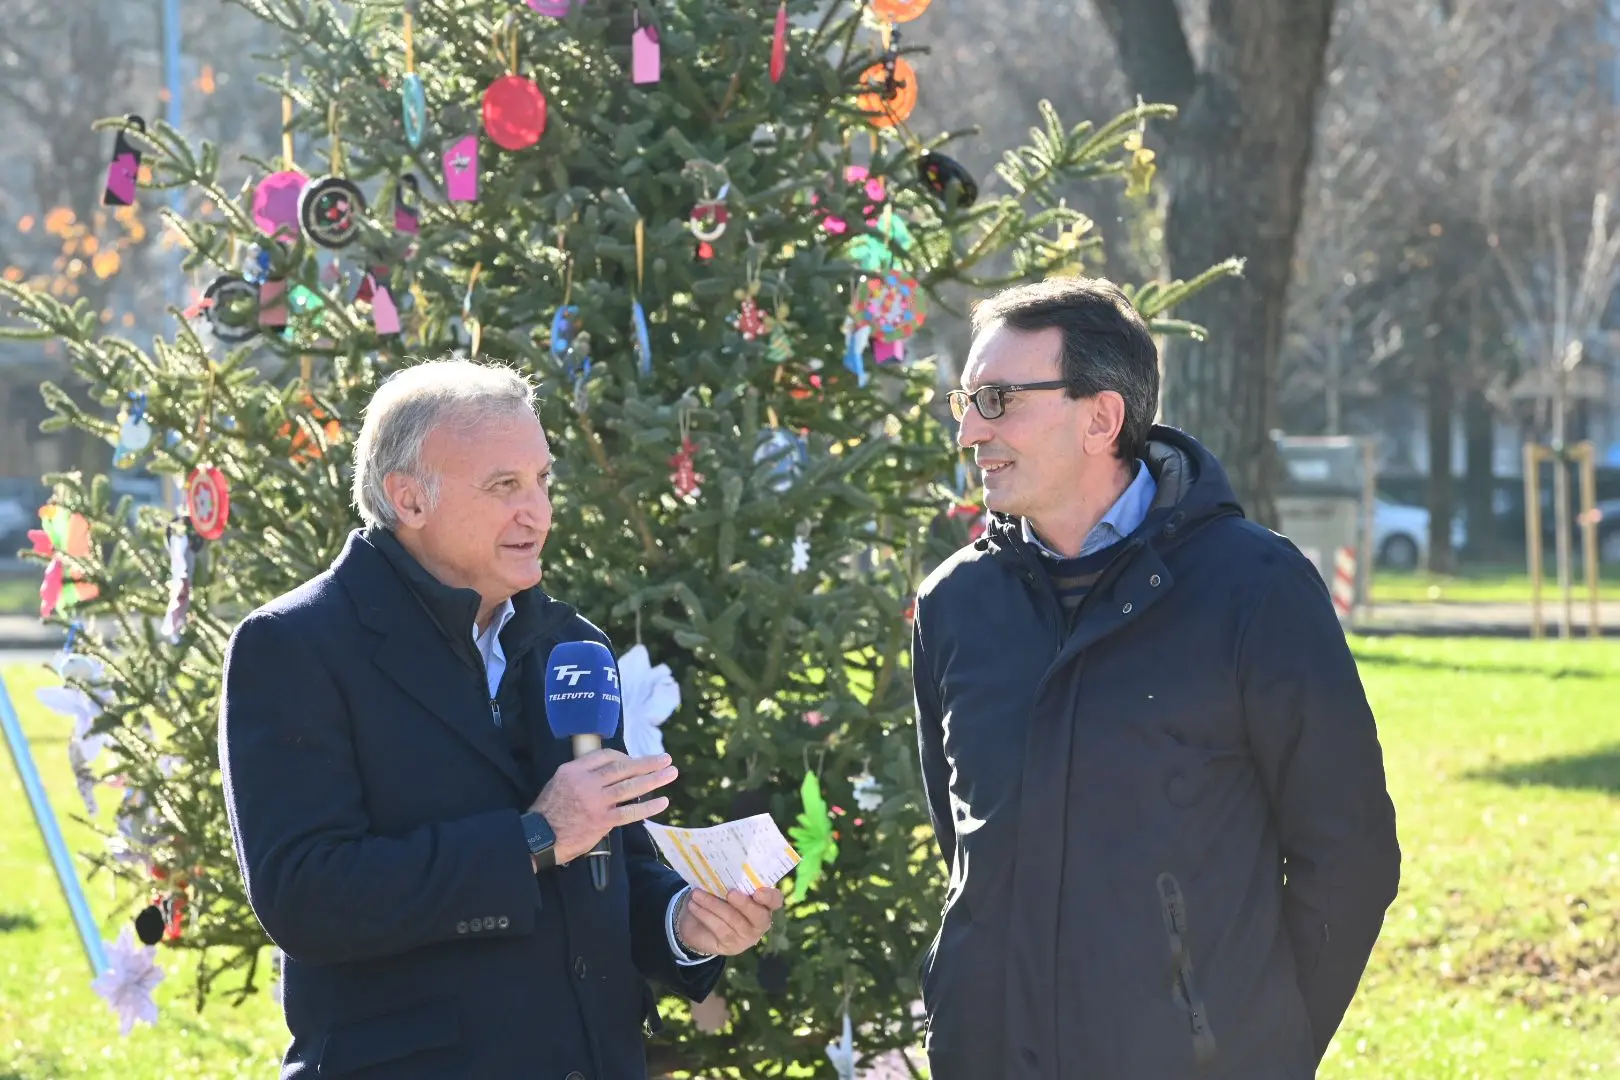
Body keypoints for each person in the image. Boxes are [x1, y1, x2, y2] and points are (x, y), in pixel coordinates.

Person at [220, 358, 782, 1080]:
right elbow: (307, 895)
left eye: (543, 480)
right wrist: (534, 838)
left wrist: (683, 923)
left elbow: (603, 866)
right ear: (408, 499)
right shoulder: (296, 646)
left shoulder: (572, 647)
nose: (538, 512)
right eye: (504, 486)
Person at [911, 278, 1401, 1080]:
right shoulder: (953, 604)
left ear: (1101, 418)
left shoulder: (1256, 590)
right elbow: (964, 841)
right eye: (966, 398)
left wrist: (1260, 1048)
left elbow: (1349, 853)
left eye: (997, 399)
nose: (968, 430)